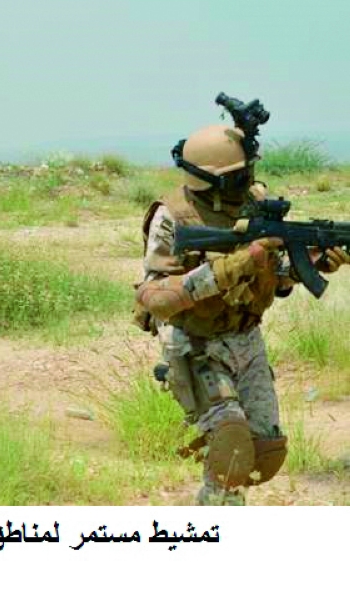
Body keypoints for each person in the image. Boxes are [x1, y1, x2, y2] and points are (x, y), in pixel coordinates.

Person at [134, 114, 349, 505]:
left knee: (265, 450)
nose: (247, 180)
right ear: (214, 179)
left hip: (246, 337)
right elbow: (156, 297)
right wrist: (230, 267)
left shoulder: (255, 204)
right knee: (230, 443)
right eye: (238, 175)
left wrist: (310, 264)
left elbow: (276, 274)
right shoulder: (173, 216)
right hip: (194, 340)